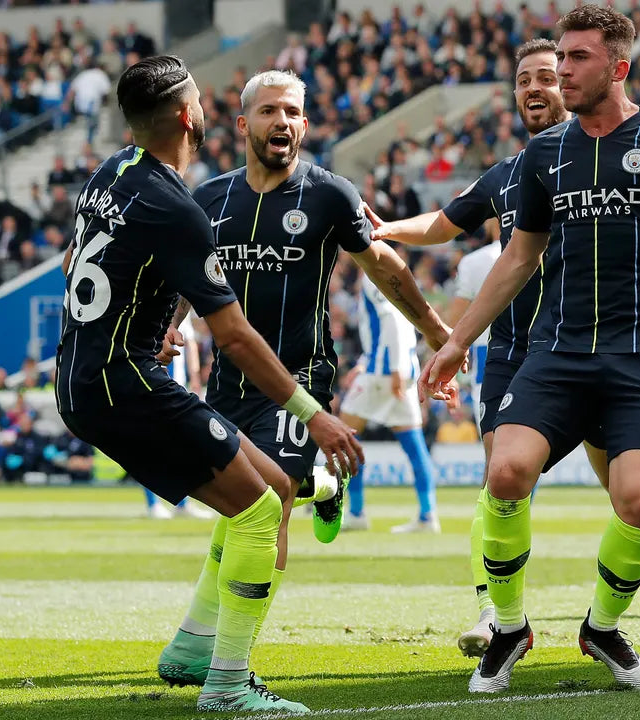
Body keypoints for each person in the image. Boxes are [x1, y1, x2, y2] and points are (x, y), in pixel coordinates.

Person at [418, 5, 640, 692]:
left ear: (618, 67)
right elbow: (518, 257)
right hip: (554, 352)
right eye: (561, 56)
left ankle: (602, 628)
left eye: (578, 57)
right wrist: (456, 341)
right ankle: (508, 628)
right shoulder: (542, 153)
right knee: (505, 473)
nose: (563, 69)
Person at [55, 55, 362, 714]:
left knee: (273, 487)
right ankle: (226, 687)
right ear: (191, 116)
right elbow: (235, 338)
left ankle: (193, 650)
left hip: (81, 373)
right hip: (125, 382)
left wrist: (147, 316)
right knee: (257, 512)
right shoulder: (180, 207)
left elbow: (71, 264)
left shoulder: (113, 172)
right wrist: (316, 414)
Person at [155, 67, 453, 688]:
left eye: (292, 112)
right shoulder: (210, 200)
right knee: (242, 507)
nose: (282, 122)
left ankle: (226, 666)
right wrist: (169, 323)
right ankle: (319, 490)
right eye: (268, 112)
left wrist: (434, 329)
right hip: (230, 382)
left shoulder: (328, 195)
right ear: (243, 125)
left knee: (267, 507)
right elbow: (191, 280)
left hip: (301, 376)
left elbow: (383, 265)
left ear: (305, 123)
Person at [338, 275, 440, 534]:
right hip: (396, 371)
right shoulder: (389, 273)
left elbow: (394, 320)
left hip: (383, 374)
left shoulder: (374, 276)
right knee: (415, 446)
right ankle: (428, 516)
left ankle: (356, 511)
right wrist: (370, 362)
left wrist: (394, 369)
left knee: (342, 437)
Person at [145, 314, 214, 519]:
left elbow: (190, 345)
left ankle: (183, 502)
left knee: (182, 445)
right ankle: (153, 503)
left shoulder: (178, 313)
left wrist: (194, 379)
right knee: (153, 446)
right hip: (156, 387)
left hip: (178, 387)